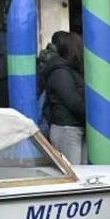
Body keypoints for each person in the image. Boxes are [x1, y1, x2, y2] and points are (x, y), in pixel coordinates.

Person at [41, 32, 86, 163]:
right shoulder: (60, 72)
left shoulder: (67, 70)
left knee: (82, 173)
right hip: (67, 129)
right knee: (74, 173)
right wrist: (94, 116)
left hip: (73, 127)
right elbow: (73, 102)